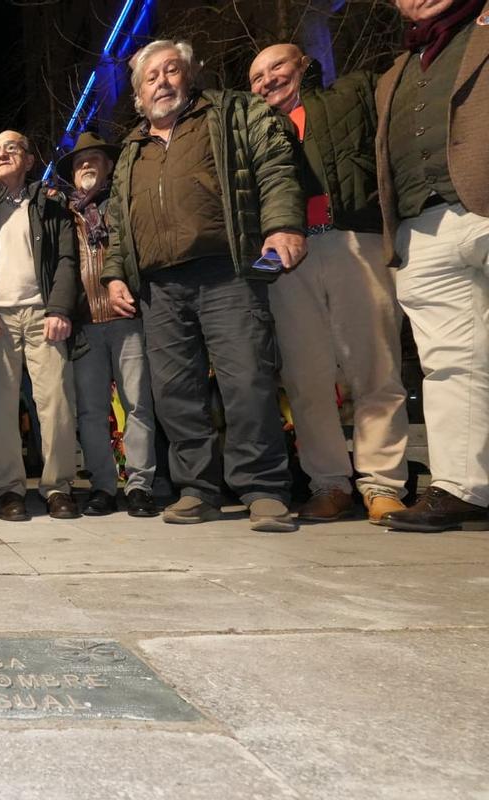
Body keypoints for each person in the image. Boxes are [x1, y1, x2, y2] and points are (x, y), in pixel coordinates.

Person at [102, 39, 306, 532]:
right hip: (159, 287)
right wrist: (114, 274)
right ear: (138, 95)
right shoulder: (131, 149)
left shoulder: (232, 112)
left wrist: (283, 224)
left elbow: (274, 167)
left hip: (227, 272)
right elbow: (119, 221)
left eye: (171, 71)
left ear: (189, 75)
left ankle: (263, 489)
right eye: (150, 78)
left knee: (247, 381)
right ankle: (198, 489)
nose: (162, 83)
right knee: (175, 392)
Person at [248, 43, 410, 524]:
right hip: (286, 260)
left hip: (353, 241)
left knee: (375, 367)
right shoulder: (252, 130)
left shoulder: (350, 95)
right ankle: (329, 484)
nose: (267, 80)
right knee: (305, 379)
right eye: (256, 76)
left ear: (304, 65)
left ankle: (382, 484)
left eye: (277, 66)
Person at [374, 0, 489, 533]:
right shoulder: (395, 72)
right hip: (422, 224)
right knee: (449, 362)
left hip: (482, 204)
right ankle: (462, 488)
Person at [0, 131, 82, 523]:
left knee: (57, 400)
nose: (1, 155)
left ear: (29, 160)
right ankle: (8, 489)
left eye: (11, 148)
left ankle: (58, 487)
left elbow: (67, 260)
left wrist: (59, 309)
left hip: (44, 315)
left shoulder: (50, 206)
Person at [56, 132, 158, 517]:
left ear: (110, 165)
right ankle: (102, 485)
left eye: (94, 159)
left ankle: (140, 485)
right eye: (79, 162)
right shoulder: (63, 215)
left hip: (127, 318)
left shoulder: (125, 203)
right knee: (91, 411)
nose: (86, 165)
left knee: (137, 404)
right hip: (85, 324)